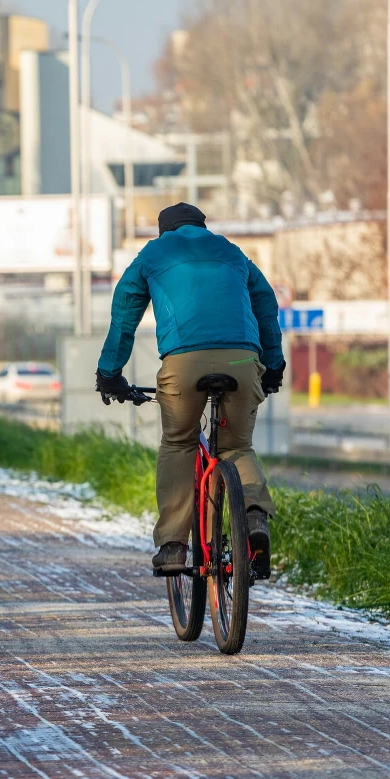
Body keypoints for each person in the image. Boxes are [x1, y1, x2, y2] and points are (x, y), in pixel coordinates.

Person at [94, 202, 285, 575]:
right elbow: (266, 305)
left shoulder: (154, 254)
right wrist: (273, 365)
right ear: (202, 226)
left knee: (179, 442)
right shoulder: (232, 252)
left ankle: (173, 547)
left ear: (165, 231)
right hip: (241, 361)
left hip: (184, 365)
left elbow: (124, 314)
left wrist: (110, 373)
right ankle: (255, 516)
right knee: (237, 446)